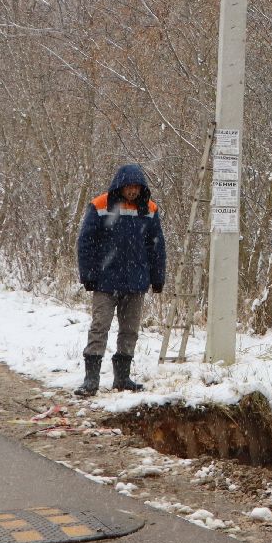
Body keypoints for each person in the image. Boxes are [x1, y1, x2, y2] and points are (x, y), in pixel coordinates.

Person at [75, 163, 166, 396]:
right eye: (129, 187)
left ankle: (122, 378)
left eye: (137, 187)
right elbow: (86, 242)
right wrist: (88, 275)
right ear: (120, 186)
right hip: (105, 282)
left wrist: (158, 277)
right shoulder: (100, 205)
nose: (133, 191)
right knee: (99, 327)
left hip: (136, 282)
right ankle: (91, 380)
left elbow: (156, 246)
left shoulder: (150, 209)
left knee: (130, 331)